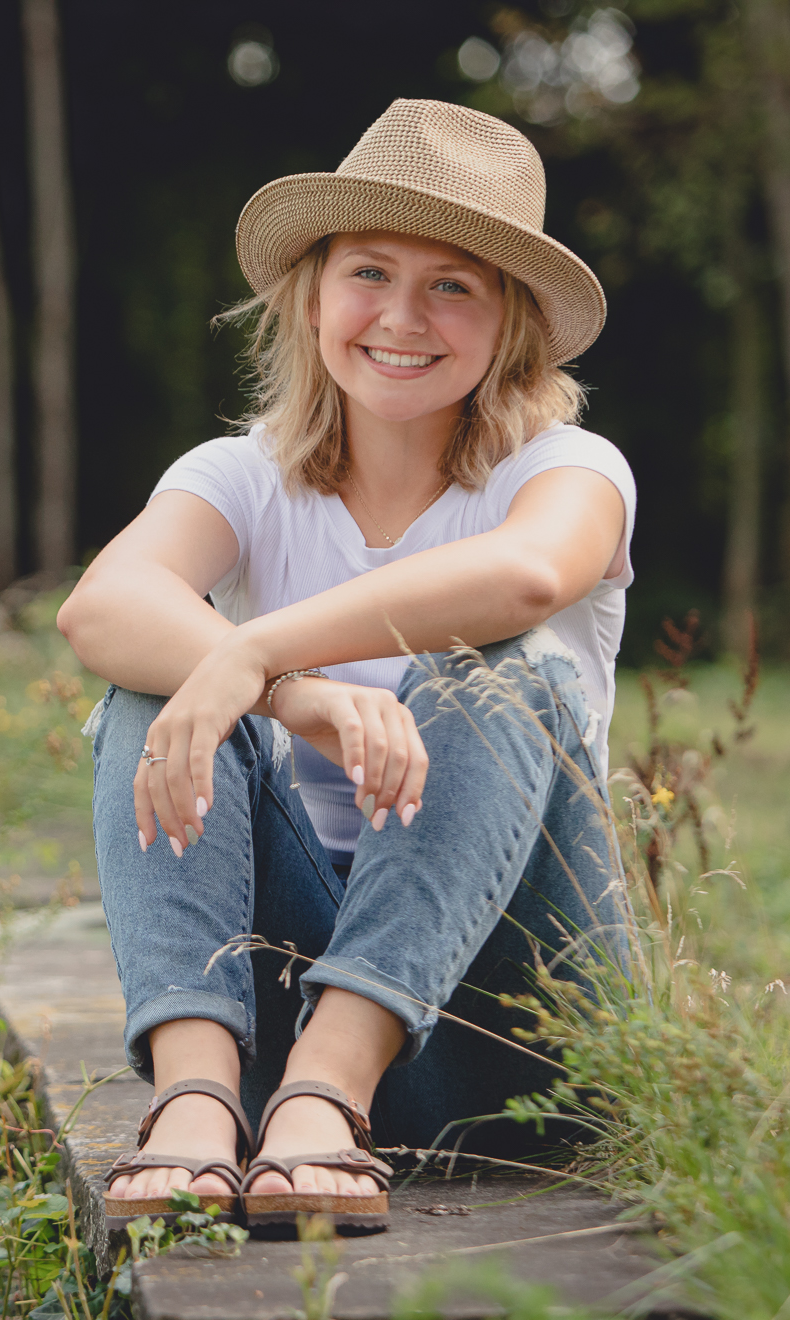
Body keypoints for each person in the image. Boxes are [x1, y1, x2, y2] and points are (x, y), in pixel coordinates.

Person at [55, 99, 637, 1237]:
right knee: (151, 683)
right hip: (268, 1035)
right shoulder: (242, 474)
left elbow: (524, 579)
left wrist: (261, 650)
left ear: (509, 320)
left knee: (496, 671)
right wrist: (296, 699)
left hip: (514, 1033)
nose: (402, 317)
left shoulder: (567, 467)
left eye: (453, 285)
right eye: (369, 271)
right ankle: (196, 1099)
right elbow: (103, 606)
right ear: (314, 293)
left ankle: (337, 1078)